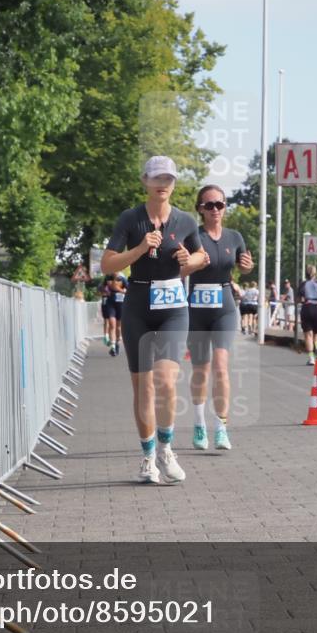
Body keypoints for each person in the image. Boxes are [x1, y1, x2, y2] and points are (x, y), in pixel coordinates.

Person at [100, 156, 207, 484]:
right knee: (142, 386)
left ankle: (166, 449)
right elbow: (106, 265)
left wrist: (191, 261)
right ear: (145, 180)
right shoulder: (130, 219)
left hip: (173, 306)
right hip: (138, 305)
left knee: (165, 380)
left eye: (169, 179)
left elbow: (201, 255)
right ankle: (147, 458)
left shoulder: (186, 221)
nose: (163, 184)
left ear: (174, 184)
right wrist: (140, 249)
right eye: (157, 178)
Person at [182, 185, 253, 451]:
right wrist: (190, 263)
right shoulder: (193, 236)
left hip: (224, 306)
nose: (215, 210)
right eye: (209, 205)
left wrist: (248, 267)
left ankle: (221, 427)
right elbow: (179, 267)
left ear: (225, 207)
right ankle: (199, 424)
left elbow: (244, 264)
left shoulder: (234, 237)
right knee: (201, 369)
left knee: (221, 366)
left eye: (220, 205)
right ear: (200, 209)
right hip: (196, 308)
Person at [111, 274, 127, 356]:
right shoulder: (108, 277)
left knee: (118, 327)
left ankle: (117, 343)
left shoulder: (122, 278)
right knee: (112, 325)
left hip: (120, 305)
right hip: (110, 305)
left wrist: (121, 290)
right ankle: (112, 346)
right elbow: (102, 288)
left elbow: (129, 290)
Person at [99, 275, 115, 347]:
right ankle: (106, 336)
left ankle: (108, 336)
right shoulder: (102, 286)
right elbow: (101, 293)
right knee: (106, 321)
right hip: (105, 304)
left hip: (110, 305)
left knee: (110, 322)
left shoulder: (112, 286)